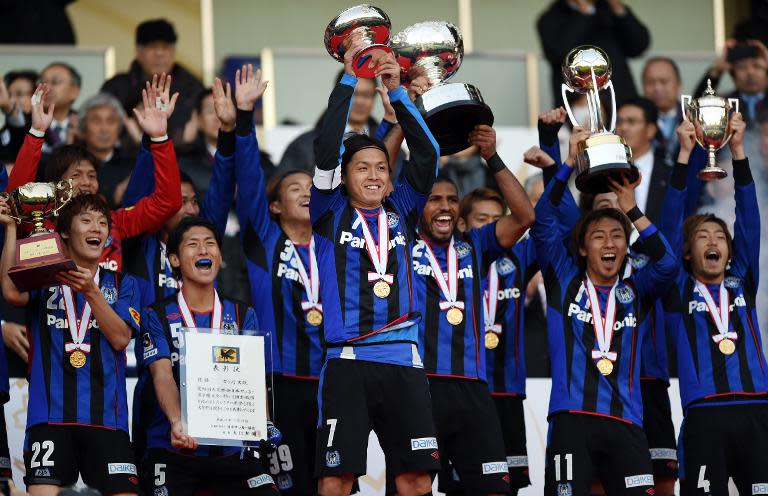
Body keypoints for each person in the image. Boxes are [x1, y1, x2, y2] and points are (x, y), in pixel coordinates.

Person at [310, 38, 440, 496]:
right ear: (344, 178)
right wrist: (350, 79)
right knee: (336, 479)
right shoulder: (327, 210)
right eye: (361, 167)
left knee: (415, 479)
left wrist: (399, 93)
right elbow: (326, 149)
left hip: (403, 358)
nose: (372, 175)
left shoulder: (403, 208)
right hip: (347, 362)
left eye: (381, 168)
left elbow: (427, 156)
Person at [533, 126, 677, 495]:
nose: (610, 243)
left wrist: (631, 208)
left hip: (627, 422)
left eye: (617, 236)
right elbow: (545, 218)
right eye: (599, 236)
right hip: (572, 422)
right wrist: (566, 163)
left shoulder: (635, 291)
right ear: (583, 249)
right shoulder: (564, 281)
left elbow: (667, 265)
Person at [410, 122, 533, 495]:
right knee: (413, 485)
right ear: (418, 206)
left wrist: (491, 157)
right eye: (435, 199)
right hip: (420, 385)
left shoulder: (475, 244)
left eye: (451, 199)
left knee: (493, 487)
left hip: (474, 388)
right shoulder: (400, 245)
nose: (445, 206)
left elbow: (525, 216)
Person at [0, 193, 141, 496]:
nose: (97, 229)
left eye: (103, 223)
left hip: (108, 421)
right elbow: (11, 292)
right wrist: (11, 229)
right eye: (86, 220)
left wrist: (91, 292)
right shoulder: (45, 275)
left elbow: (120, 338)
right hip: (50, 417)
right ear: (64, 231)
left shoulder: (123, 282)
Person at [660, 112, 768, 494]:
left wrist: (738, 150)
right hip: (705, 415)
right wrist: (685, 155)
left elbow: (750, 220)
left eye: (719, 236)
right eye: (702, 237)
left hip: (759, 411)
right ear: (687, 254)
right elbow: (671, 223)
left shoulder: (743, 280)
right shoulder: (677, 288)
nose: (712, 242)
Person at [135, 216, 279, 495]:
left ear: (220, 256)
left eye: (210, 244)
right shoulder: (157, 315)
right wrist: (178, 423)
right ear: (174, 260)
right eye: (193, 244)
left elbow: (252, 382)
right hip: (173, 451)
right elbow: (162, 375)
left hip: (232, 451)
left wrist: (260, 423)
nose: (203, 250)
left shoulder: (242, 314)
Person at [231, 63, 322, 494]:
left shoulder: (333, 244)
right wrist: (245, 118)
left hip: (331, 381)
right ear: (273, 207)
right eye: (293, 188)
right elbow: (249, 180)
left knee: (334, 482)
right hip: (276, 383)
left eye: (311, 187)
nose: (306, 192)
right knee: (285, 485)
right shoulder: (265, 241)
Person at [6, 77, 182, 273]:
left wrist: (159, 137)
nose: (86, 183)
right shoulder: (39, 224)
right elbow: (15, 198)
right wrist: (37, 133)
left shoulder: (114, 223)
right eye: (76, 176)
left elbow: (169, 203)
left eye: (92, 176)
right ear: (55, 186)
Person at [101, 18, 204, 143]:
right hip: (127, 158)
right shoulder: (116, 87)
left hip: (183, 158)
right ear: (138, 52)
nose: (159, 53)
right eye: (152, 47)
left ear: (173, 52)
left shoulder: (192, 86)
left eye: (165, 47)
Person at [536, 0, 650, 106]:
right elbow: (558, 52)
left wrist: (617, 8)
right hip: (579, 105)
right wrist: (585, 11)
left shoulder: (607, 9)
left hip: (620, 100)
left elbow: (639, 46)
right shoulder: (551, 17)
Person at [277, 71, 387, 174]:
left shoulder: (387, 143)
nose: (360, 101)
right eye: (353, 94)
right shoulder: (304, 146)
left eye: (367, 95)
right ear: (339, 96)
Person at [77, 92, 134, 206]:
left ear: (119, 128)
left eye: (111, 121)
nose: (104, 129)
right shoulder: (71, 164)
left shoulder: (132, 166)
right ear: (83, 128)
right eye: (96, 121)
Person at [694, 39, 767, 125]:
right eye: (742, 67)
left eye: (757, 66)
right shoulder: (724, 104)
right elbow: (697, 107)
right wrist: (716, 70)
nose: (750, 72)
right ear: (733, 77)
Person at [642, 57, 683, 164]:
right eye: (650, 82)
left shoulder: (692, 119)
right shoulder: (634, 122)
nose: (657, 88)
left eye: (664, 82)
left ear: (678, 84)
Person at [39, 62, 81, 154]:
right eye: (43, 82)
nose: (47, 88)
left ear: (75, 91)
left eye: (55, 82)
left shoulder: (84, 127)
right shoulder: (30, 125)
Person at [0, 70, 37, 166]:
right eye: (9, 95)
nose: (11, 100)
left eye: (19, 94)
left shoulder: (48, 132)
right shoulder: (3, 133)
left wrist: (8, 107)